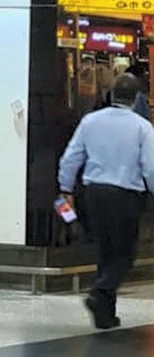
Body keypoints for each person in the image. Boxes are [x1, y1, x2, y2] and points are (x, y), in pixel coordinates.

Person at [58, 73, 154, 330]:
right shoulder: (142, 127)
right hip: (125, 196)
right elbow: (151, 168)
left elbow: (71, 157)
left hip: (94, 193)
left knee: (105, 251)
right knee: (125, 254)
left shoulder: (90, 121)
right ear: (136, 98)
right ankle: (100, 293)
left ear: (110, 95)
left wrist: (65, 188)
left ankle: (105, 314)